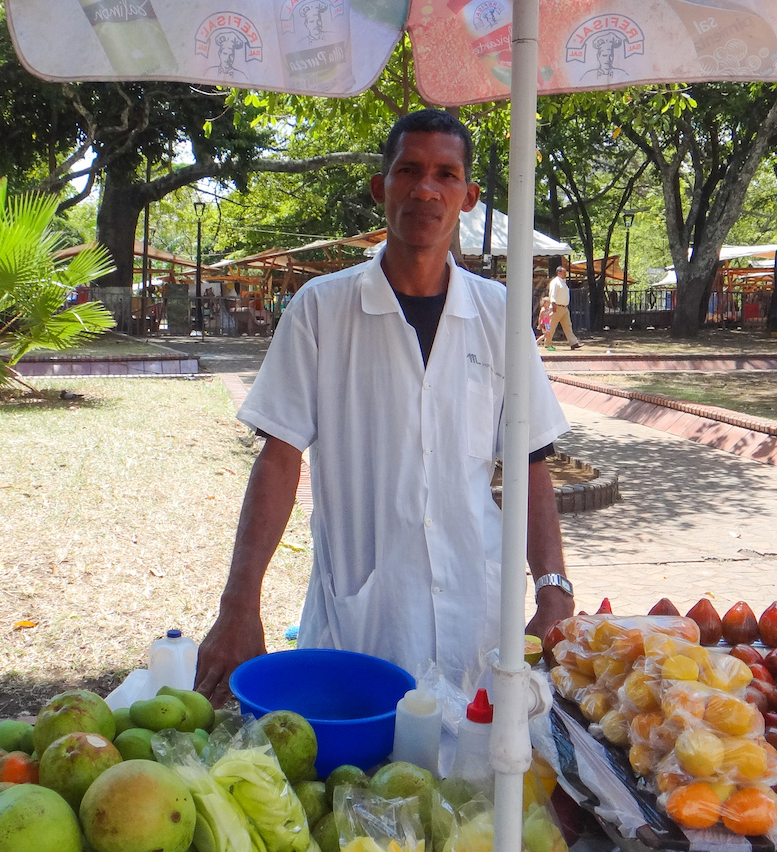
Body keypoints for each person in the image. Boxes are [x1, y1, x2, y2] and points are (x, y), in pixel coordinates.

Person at [194, 109, 575, 702]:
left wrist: (554, 591)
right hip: (362, 619)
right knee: (356, 782)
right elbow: (279, 457)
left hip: (476, 613)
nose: (426, 189)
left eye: (446, 175)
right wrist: (239, 604)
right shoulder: (321, 310)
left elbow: (530, 461)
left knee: (472, 781)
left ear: (469, 196)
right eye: (409, 170)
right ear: (381, 187)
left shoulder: (501, 315)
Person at [541, 265, 582, 350]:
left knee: (568, 325)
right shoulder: (555, 282)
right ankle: (547, 343)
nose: (565, 274)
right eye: (564, 272)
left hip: (564, 308)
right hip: (557, 306)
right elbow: (552, 294)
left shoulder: (563, 282)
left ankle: (573, 342)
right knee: (552, 325)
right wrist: (553, 304)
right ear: (559, 272)